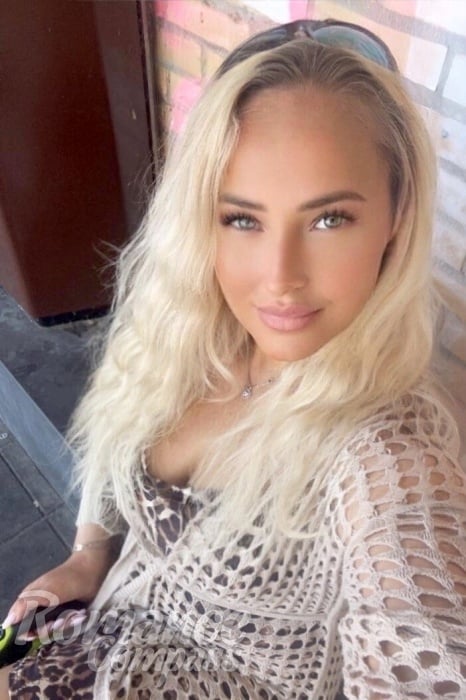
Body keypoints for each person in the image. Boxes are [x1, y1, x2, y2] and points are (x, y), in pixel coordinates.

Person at [1, 18, 465, 699]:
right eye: (241, 218)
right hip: (92, 636)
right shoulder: (190, 330)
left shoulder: (392, 454)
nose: (279, 279)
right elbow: (115, 437)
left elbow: (423, 656)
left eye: (329, 218)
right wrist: (88, 554)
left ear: (397, 215)